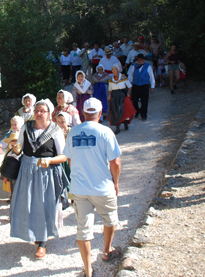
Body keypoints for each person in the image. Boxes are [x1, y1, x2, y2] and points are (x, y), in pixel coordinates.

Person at [63, 98, 122, 277]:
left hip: (80, 188)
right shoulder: (106, 132)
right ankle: (107, 251)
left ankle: (88, 270)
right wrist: (116, 182)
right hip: (102, 186)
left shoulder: (73, 132)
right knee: (110, 219)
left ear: (83, 112)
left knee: (83, 228)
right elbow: (116, 162)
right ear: (100, 111)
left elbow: (69, 159)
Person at [11, 99, 68, 259]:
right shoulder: (26, 127)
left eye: (42, 111)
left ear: (49, 114)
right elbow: (20, 147)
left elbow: (63, 156)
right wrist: (15, 147)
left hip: (46, 173)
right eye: (36, 110)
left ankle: (42, 242)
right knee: (27, 204)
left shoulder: (55, 130)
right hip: (27, 170)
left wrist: (49, 160)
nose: (38, 113)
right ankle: (34, 233)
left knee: (43, 206)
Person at [128, 54, 155, 121]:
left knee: (144, 101)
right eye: (139, 59)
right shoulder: (133, 66)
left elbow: (151, 77)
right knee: (134, 100)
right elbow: (130, 76)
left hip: (144, 85)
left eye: (141, 59)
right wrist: (129, 85)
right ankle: (137, 110)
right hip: (135, 85)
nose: (140, 61)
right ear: (137, 60)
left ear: (143, 60)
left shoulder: (148, 67)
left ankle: (144, 115)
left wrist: (152, 86)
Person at [108, 64, 133, 134]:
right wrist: (109, 95)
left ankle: (125, 123)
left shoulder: (123, 77)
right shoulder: (111, 79)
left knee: (122, 110)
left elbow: (130, 86)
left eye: (115, 70)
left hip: (122, 95)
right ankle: (117, 127)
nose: (114, 71)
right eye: (112, 70)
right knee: (115, 111)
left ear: (118, 70)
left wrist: (128, 93)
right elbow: (110, 89)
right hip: (114, 96)